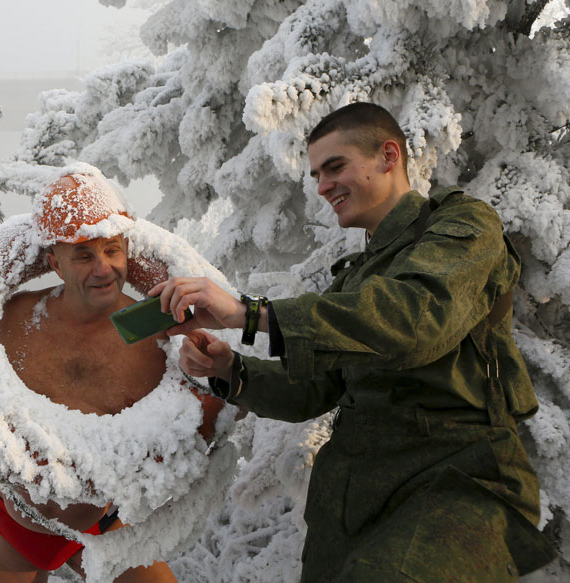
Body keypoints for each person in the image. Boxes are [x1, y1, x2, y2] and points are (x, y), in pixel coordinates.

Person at [151, 102, 556, 582]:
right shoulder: (354, 281)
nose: (323, 186)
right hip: (353, 499)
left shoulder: (463, 225)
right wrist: (230, 369)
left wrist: (250, 313)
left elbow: (414, 320)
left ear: (388, 156)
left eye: (335, 166)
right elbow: (318, 388)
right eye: (317, 175)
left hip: (454, 479)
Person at [0, 172, 177, 582]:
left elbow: (197, 415)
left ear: (127, 252)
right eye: (83, 255)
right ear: (55, 263)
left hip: (105, 523)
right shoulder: (10, 320)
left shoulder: (157, 338)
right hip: (13, 522)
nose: (103, 269)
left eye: (112, 250)